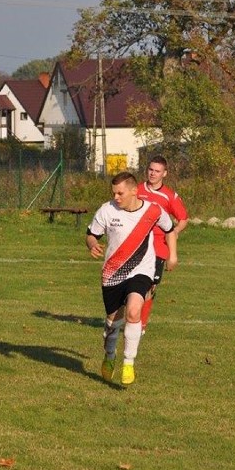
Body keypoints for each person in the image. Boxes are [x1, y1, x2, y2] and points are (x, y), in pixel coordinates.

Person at [86, 172, 175, 385]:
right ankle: (109, 356)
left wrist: (173, 255)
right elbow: (91, 234)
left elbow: (170, 229)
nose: (116, 197)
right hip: (113, 274)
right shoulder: (107, 210)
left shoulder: (153, 210)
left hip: (141, 271)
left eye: (120, 193)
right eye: (114, 193)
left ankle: (128, 363)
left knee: (135, 311)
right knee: (112, 323)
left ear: (134, 191)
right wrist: (92, 244)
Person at [136, 155, 188, 333]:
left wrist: (174, 234)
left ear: (164, 173)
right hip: (136, 245)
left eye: (157, 171)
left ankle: (141, 324)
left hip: (158, 247)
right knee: (132, 285)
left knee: (150, 286)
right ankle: (131, 317)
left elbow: (183, 219)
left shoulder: (169, 196)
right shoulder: (136, 190)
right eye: (151, 170)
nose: (153, 174)